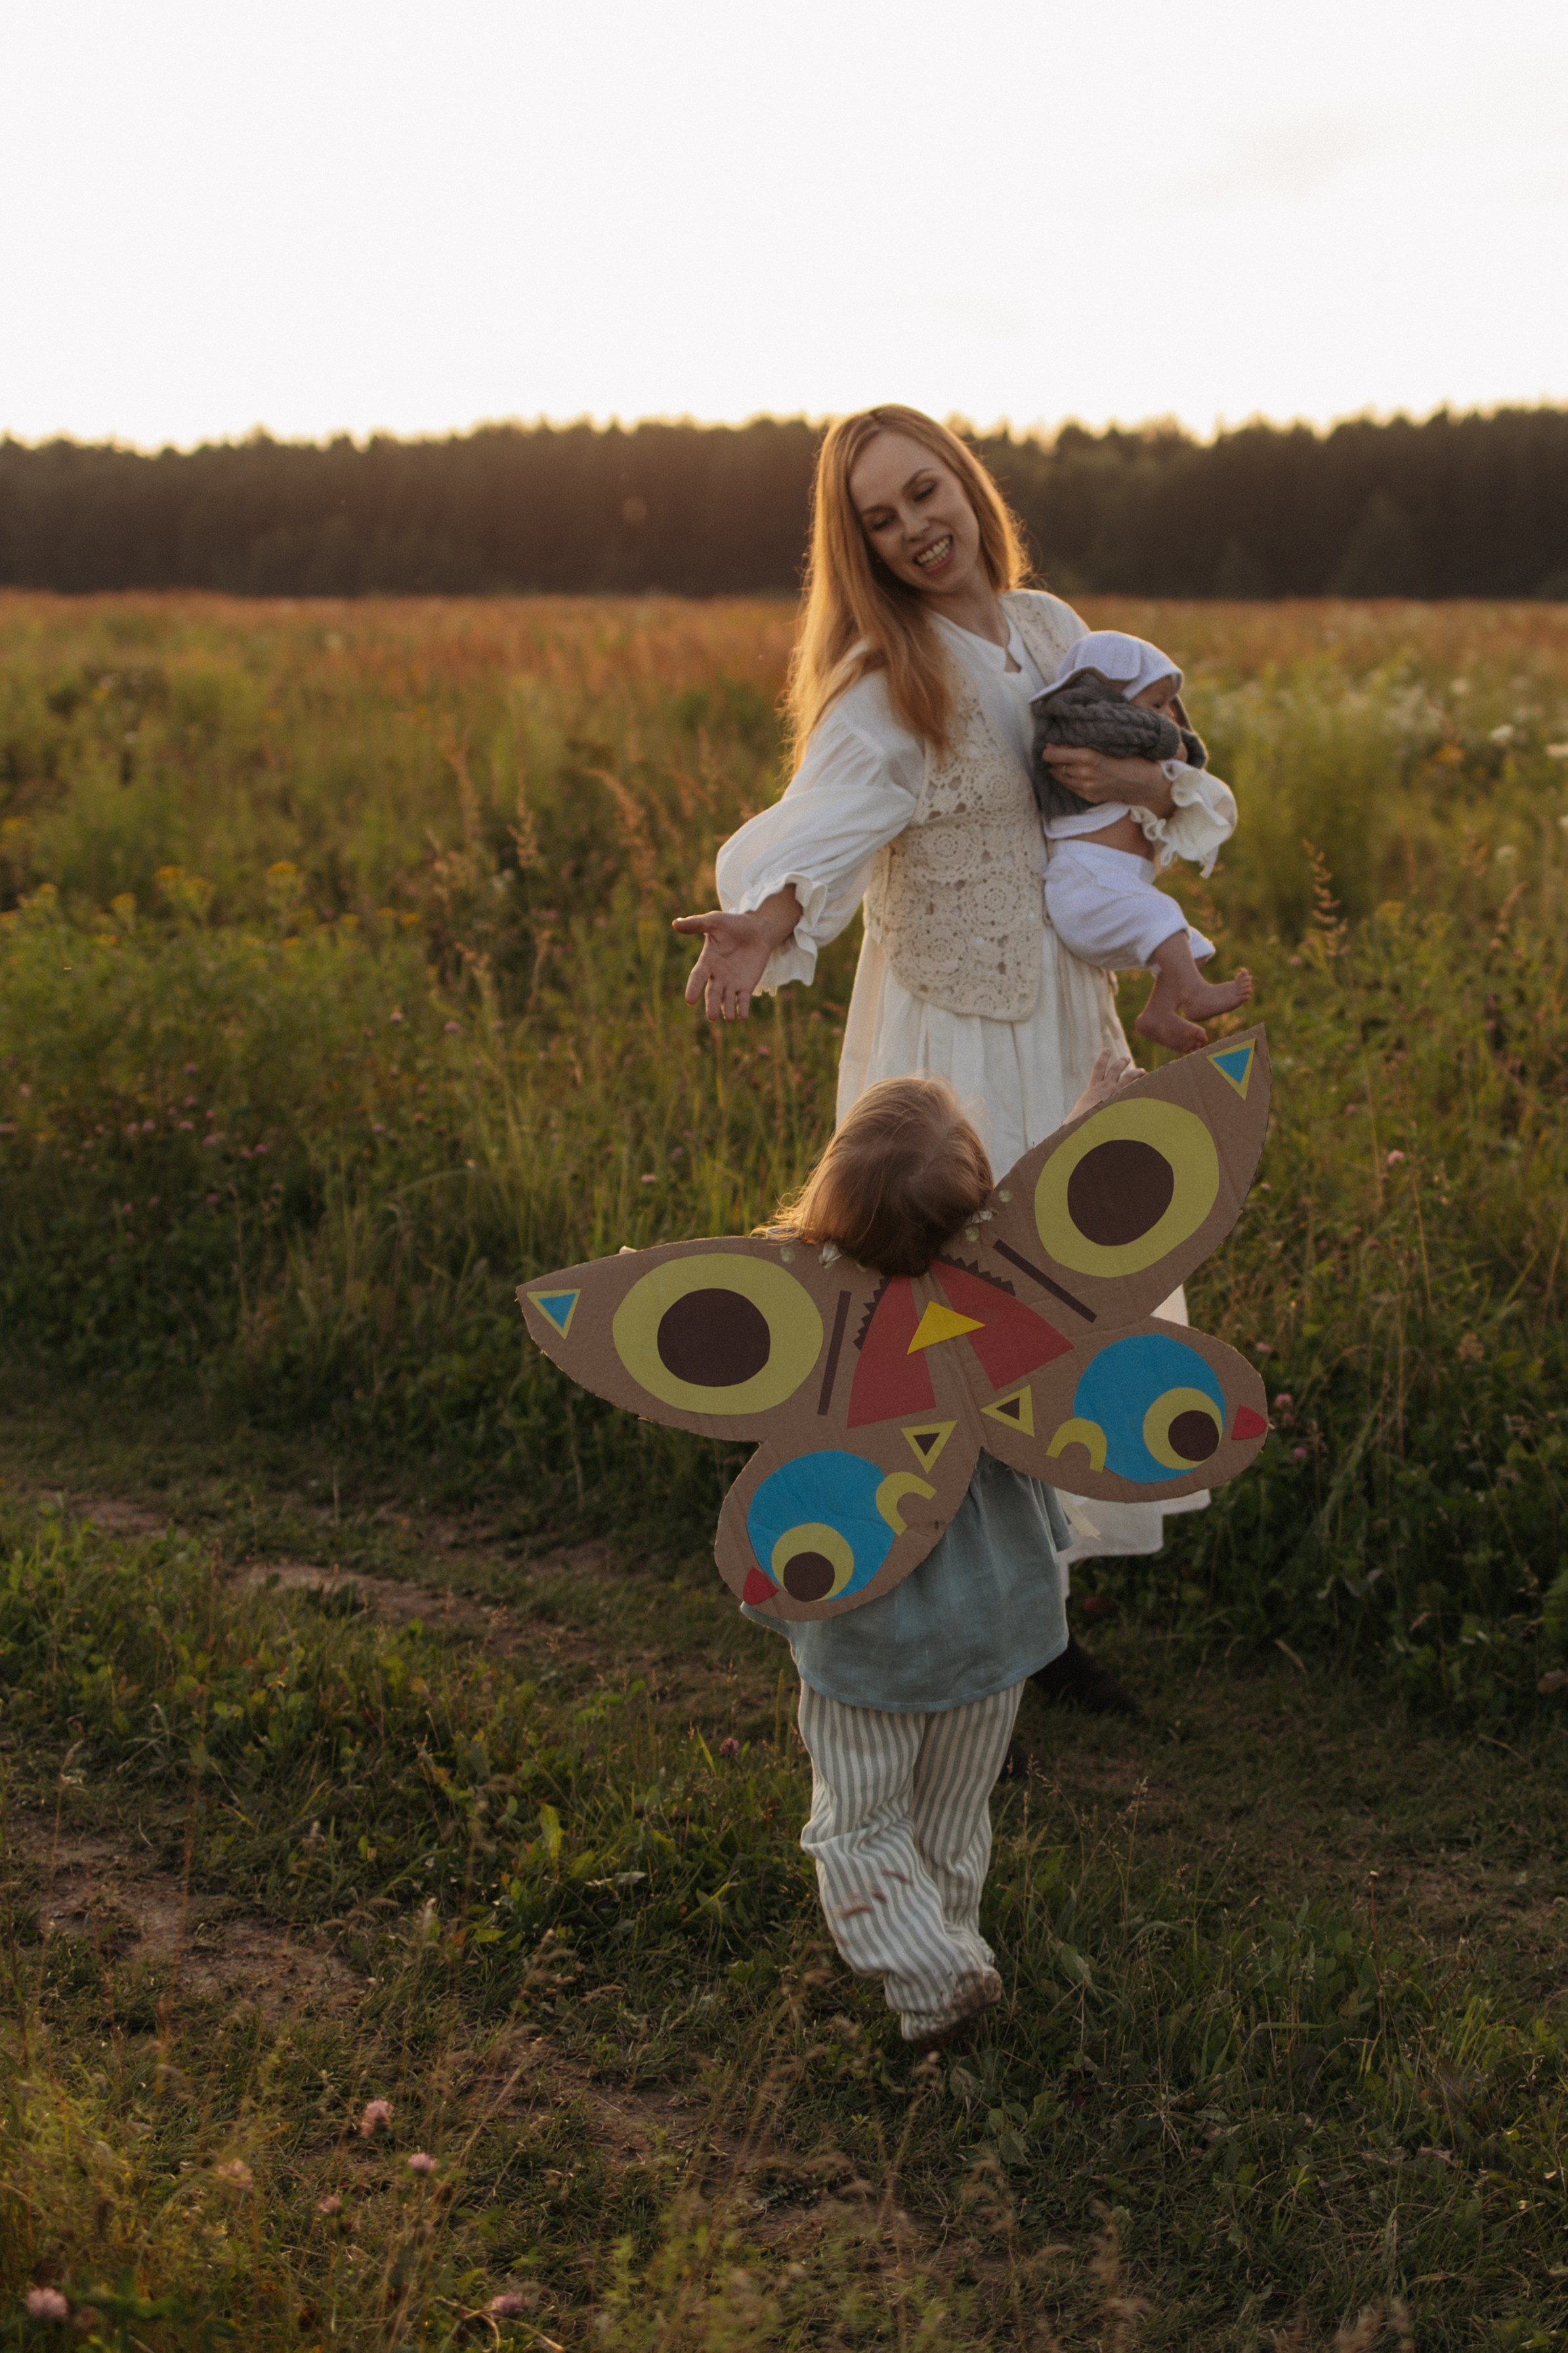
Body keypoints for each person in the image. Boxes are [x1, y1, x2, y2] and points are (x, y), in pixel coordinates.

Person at [673, 405, 1207, 1716]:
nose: (915, 527)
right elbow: (832, 823)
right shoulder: (885, 675)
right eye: (879, 517)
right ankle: (952, 1650)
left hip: (1066, 1020)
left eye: (925, 493)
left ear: (967, 486)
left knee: (1070, 1301)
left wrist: (1156, 794)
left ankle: (1043, 1619)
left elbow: (1150, 768)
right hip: (949, 1042)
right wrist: (770, 912)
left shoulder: (1048, 632)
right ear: (857, 545)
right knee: (952, 1328)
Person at [744, 1064, 1126, 2052]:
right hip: (1001, 1631)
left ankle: (939, 1972)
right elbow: (1045, 1235)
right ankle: (943, 1993)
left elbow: (780, 1492)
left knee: (856, 1828)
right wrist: (1092, 1115)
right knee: (952, 1823)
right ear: (973, 1220)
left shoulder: (820, 1342)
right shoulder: (999, 1322)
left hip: (874, 1648)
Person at [1032, 628, 1252, 1054]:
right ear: (1111, 703)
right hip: (1084, 885)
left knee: (1193, 948)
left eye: (1171, 704)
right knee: (1163, 916)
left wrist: (1170, 745)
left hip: (1114, 886)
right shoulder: (1085, 741)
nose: (1169, 716)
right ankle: (1195, 995)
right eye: (1155, 704)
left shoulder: (1130, 763)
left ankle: (1158, 1014)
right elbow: (1113, 731)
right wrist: (1171, 744)